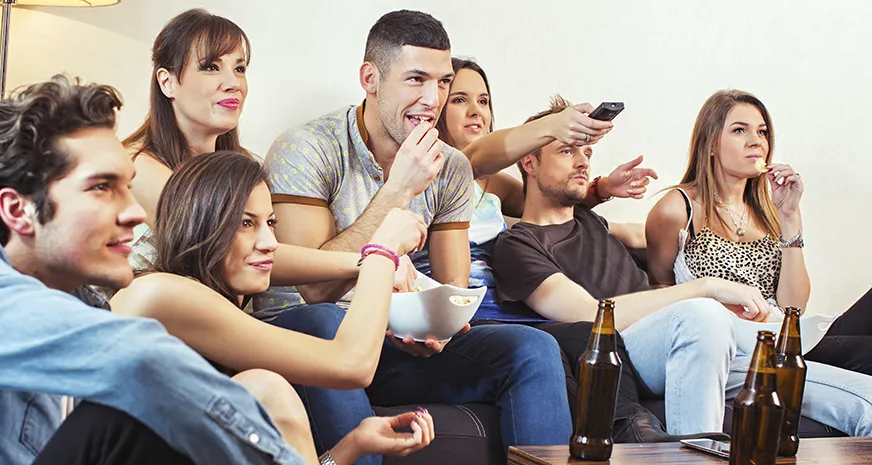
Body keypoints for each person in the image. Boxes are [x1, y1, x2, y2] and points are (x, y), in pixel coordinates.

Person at [0, 75, 311, 465]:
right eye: (102, 187)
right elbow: (139, 362)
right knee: (140, 403)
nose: (135, 212)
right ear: (18, 210)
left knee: (201, 404)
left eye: (127, 187)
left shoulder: (80, 300)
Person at [257, 10, 572, 462]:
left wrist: (433, 327)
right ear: (371, 78)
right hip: (306, 337)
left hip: (390, 343)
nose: (433, 98)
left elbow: (452, 292)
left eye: (443, 82)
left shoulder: (452, 168)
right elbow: (314, 289)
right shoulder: (308, 147)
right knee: (331, 323)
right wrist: (399, 190)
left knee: (534, 347)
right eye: (416, 79)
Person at [433, 57, 727, 443]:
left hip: (542, 317)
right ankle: (638, 432)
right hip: (489, 318)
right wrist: (705, 287)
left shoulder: (499, 188)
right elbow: (480, 167)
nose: (476, 111)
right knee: (578, 336)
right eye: (459, 100)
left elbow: (549, 201)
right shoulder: (437, 172)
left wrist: (600, 188)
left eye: (484, 101)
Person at [111, 151, 435, 464]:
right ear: (200, 224)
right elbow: (352, 365)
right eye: (245, 223)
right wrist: (383, 250)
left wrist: (351, 446)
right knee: (266, 387)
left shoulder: (203, 300)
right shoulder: (159, 294)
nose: (270, 241)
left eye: (270, 222)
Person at [490, 96, 782, 436]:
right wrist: (707, 287)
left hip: (687, 341)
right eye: (568, 151)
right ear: (529, 162)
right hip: (629, 347)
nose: (583, 162)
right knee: (703, 315)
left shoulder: (591, 222)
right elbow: (589, 313)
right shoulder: (518, 244)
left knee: (827, 374)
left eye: (587, 152)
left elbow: (654, 233)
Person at [645, 89, 872, 436]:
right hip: (731, 349)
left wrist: (790, 217)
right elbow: (660, 293)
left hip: (783, 338)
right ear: (709, 143)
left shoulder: (768, 211)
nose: (757, 142)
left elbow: (792, 304)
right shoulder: (678, 209)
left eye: (762, 132)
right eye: (740, 130)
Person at [123, 8, 367, 286]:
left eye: (239, 69)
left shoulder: (249, 165)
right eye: (211, 67)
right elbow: (226, 249)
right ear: (167, 82)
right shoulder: (136, 164)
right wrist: (369, 260)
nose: (233, 84)